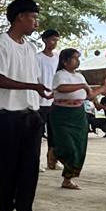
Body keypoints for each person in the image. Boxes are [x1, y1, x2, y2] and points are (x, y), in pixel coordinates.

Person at [0, 0, 54, 211]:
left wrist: (39, 92)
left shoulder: (29, 48)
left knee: (30, 169)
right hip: (6, 116)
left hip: (30, 114)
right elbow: (0, 79)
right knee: (7, 169)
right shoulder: (2, 44)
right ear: (20, 17)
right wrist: (33, 87)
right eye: (33, 17)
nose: (36, 22)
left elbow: (32, 80)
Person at [47, 49, 106, 190]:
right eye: (75, 58)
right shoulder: (60, 74)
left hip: (78, 113)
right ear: (65, 61)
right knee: (67, 144)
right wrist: (83, 86)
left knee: (79, 146)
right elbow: (61, 88)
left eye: (78, 58)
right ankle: (55, 152)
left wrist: (104, 87)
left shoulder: (80, 76)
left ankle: (67, 179)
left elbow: (89, 95)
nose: (78, 61)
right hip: (62, 113)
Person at [36, 29, 60, 171]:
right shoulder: (37, 58)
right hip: (40, 101)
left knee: (55, 133)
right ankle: (36, 161)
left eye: (56, 40)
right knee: (37, 133)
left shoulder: (58, 58)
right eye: (52, 39)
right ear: (45, 40)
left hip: (55, 101)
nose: (54, 43)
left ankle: (52, 161)